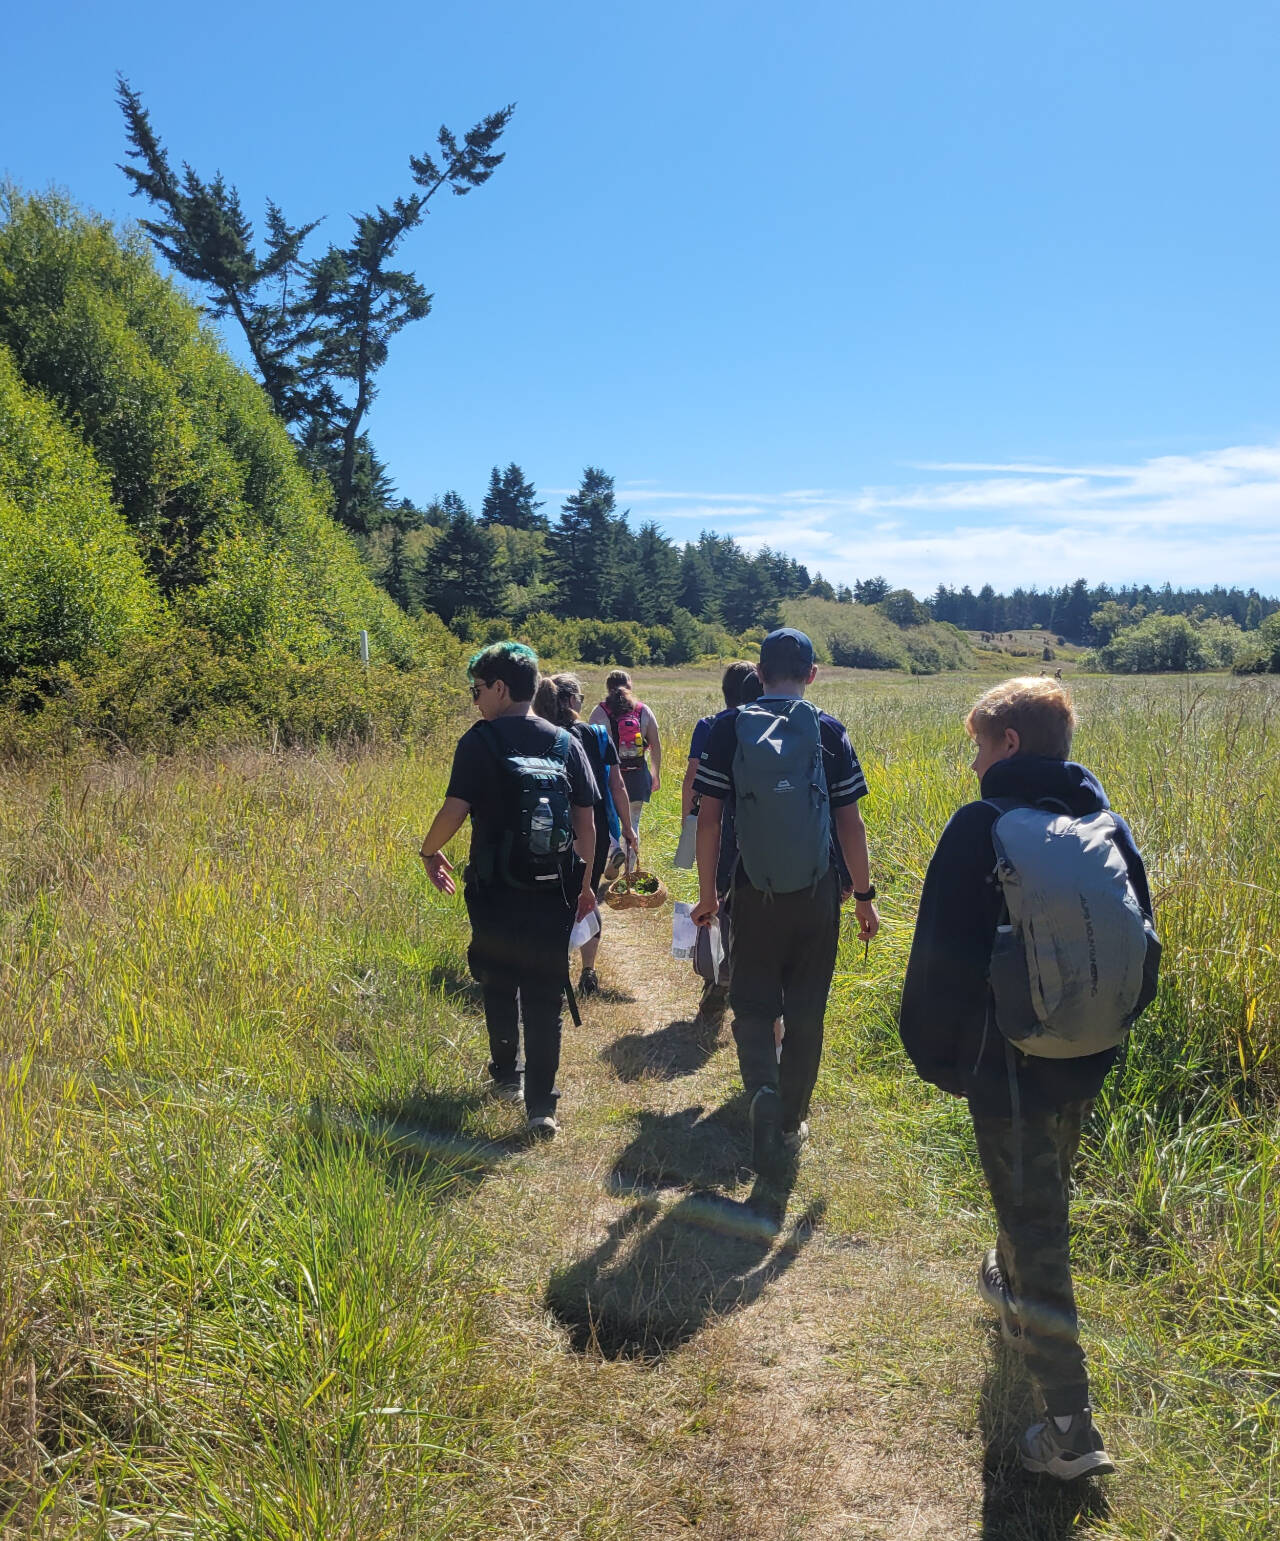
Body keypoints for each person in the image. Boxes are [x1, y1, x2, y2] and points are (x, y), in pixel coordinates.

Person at [898, 677, 1158, 1480]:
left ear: (1008, 744)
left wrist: (940, 1061)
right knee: (1035, 1198)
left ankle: (1070, 1427)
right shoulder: (1104, 822)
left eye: (980, 743)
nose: (974, 760)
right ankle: (1009, 1294)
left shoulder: (982, 826)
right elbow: (1141, 944)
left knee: (1039, 1225)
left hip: (1006, 1065)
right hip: (1085, 1053)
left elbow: (938, 958)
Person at [691, 628, 879, 1175]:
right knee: (806, 1008)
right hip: (817, 890)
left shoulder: (728, 727)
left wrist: (709, 894)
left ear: (760, 672)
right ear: (812, 675)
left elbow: (709, 819)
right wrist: (864, 897)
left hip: (753, 887)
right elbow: (851, 823)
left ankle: (762, 1091)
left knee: (752, 1004)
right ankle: (792, 1121)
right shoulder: (827, 729)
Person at [420, 642, 598, 1140]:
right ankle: (542, 1107)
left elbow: (455, 810)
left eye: (477, 690)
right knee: (545, 992)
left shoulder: (479, 741)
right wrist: (583, 885)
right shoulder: (567, 743)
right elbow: (586, 824)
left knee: (498, 980)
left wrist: (429, 851)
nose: (475, 700)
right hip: (554, 889)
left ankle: (506, 1078)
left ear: (500, 688)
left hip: (494, 887)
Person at [533, 671, 639, 999]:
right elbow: (616, 785)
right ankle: (588, 971)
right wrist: (627, 827)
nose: (581, 702)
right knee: (587, 895)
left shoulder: (539, 734)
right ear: (569, 700)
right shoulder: (595, 734)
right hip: (592, 826)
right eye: (578, 697)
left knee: (550, 898)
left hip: (548, 828)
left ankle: (552, 968)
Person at [680, 661, 762, 1035]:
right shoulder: (768, 724)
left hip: (717, 826)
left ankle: (716, 984)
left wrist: (689, 825)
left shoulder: (711, 725)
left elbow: (693, 779)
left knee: (714, 903)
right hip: (759, 833)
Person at [590, 670, 662, 838]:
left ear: (608, 687)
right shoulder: (643, 711)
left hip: (610, 776)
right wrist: (655, 774)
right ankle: (629, 863)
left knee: (609, 824)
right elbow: (655, 745)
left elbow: (591, 746)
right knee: (633, 824)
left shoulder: (599, 712)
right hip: (638, 774)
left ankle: (613, 860)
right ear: (630, 686)